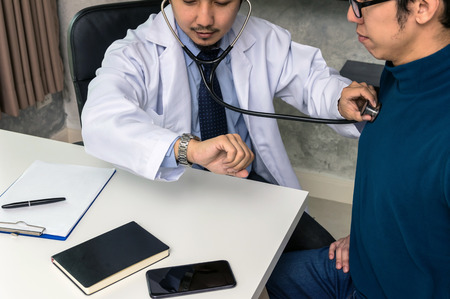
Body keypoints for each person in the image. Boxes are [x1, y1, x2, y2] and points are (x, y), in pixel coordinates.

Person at [81, 0, 376, 249]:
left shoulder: (262, 38)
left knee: (324, 262)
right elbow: (101, 117)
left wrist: (338, 98)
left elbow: (311, 79)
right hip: (175, 188)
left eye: (222, 1)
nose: (205, 18)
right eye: (190, 0)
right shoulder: (135, 52)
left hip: (248, 184)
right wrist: (190, 150)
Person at [266, 0, 450, 297]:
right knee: (241, 280)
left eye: (362, 3)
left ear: (423, 6)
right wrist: (371, 236)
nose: (352, 15)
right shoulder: (401, 72)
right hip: (358, 268)